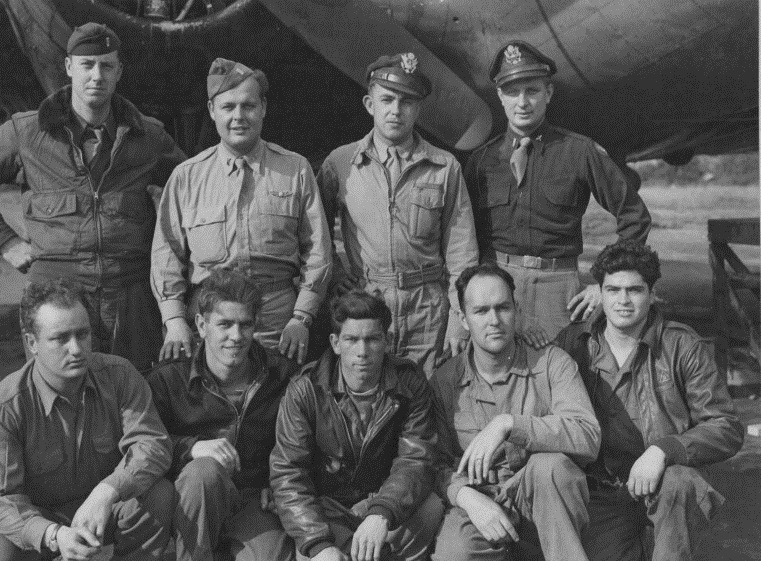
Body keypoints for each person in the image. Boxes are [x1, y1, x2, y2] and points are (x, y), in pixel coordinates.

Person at [0, 23, 186, 372]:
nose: (97, 76)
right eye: (87, 65)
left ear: (119, 72)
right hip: (55, 294)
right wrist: (6, 241)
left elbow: (193, 186)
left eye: (106, 65)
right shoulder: (27, 133)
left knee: (133, 389)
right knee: (58, 392)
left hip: (130, 295)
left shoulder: (148, 137)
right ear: (69, 67)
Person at [555, 241, 744, 561]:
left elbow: (726, 425)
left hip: (667, 484)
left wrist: (664, 450)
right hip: (605, 488)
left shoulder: (682, 345)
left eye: (634, 290)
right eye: (613, 290)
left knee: (679, 481)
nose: (623, 300)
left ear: (652, 293)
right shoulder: (575, 343)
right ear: (599, 293)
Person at [465, 40, 651, 345]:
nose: (522, 102)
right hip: (497, 288)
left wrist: (604, 282)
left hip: (558, 291)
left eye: (532, 91)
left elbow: (635, 216)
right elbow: (463, 237)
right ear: (500, 96)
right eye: (512, 92)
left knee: (561, 367)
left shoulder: (579, 151)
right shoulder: (481, 160)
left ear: (548, 93)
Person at [151, 57, 331, 365]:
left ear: (263, 108)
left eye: (248, 106)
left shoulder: (295, 170)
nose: (238, 117)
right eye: (228, 107)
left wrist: (301, 317)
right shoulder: (187, 177)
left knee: (280, 391)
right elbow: (166, 255)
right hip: (212, 322)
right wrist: (175, 320)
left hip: (277, 324)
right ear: (212, 111)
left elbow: (318, 252)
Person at [318, 52, 478, 376]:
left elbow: (462, 250)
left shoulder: (444, 166)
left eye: (407, 102)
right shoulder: (341, 163)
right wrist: (336, 275)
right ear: (369, 104)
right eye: (387, 99)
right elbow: (314, 233)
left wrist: (459, 318)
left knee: (427, 394)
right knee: (369, 390)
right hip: (368, 304)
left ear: (418, 109)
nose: (396, 110)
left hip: (428, 310)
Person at [430, 263, 600, 561]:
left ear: (517, 311)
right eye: (481, 311)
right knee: (454, 553)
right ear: (463, 319)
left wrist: (509, 424)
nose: (494, 320)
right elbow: (433, 462)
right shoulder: (445, 380)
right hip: (481, 501)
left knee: (551, 467)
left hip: (544, 505)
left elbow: (587, 435)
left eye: (503, 308)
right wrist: (465, 497)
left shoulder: (552, 363)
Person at [0, 279, 174, 560]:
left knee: (159, 494)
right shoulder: (9, 405)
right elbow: (4, 497)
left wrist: (107, 491)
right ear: (32, 343)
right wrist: (53, 534)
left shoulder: (119, 376)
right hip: (44, 523)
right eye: (60, 338)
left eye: (82, 334)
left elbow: (153, 445)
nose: (77, 349)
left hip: (105, 513)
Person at [270, 290, 444, 561]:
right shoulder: (305, 389)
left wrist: (381, 512)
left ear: (386, 341)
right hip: (325, 510)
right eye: (351, 340)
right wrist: (317, 544)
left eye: (372, 339)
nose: (362, 352)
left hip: (383, 502)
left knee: (430, 507)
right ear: (335, 343)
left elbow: (416, 459)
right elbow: (288, 472)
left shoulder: (409, 383)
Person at [148, 269, 298, 560]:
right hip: (194, 500)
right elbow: (144, 445)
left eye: (245, 325)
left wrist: (280, 483)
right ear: (201, 325)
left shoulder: (283, 376)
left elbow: (302, 443)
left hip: (255, 498)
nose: (236, 336)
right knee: (203, 471)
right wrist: (191, 448)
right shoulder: (169, 380)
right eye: (225, 324)